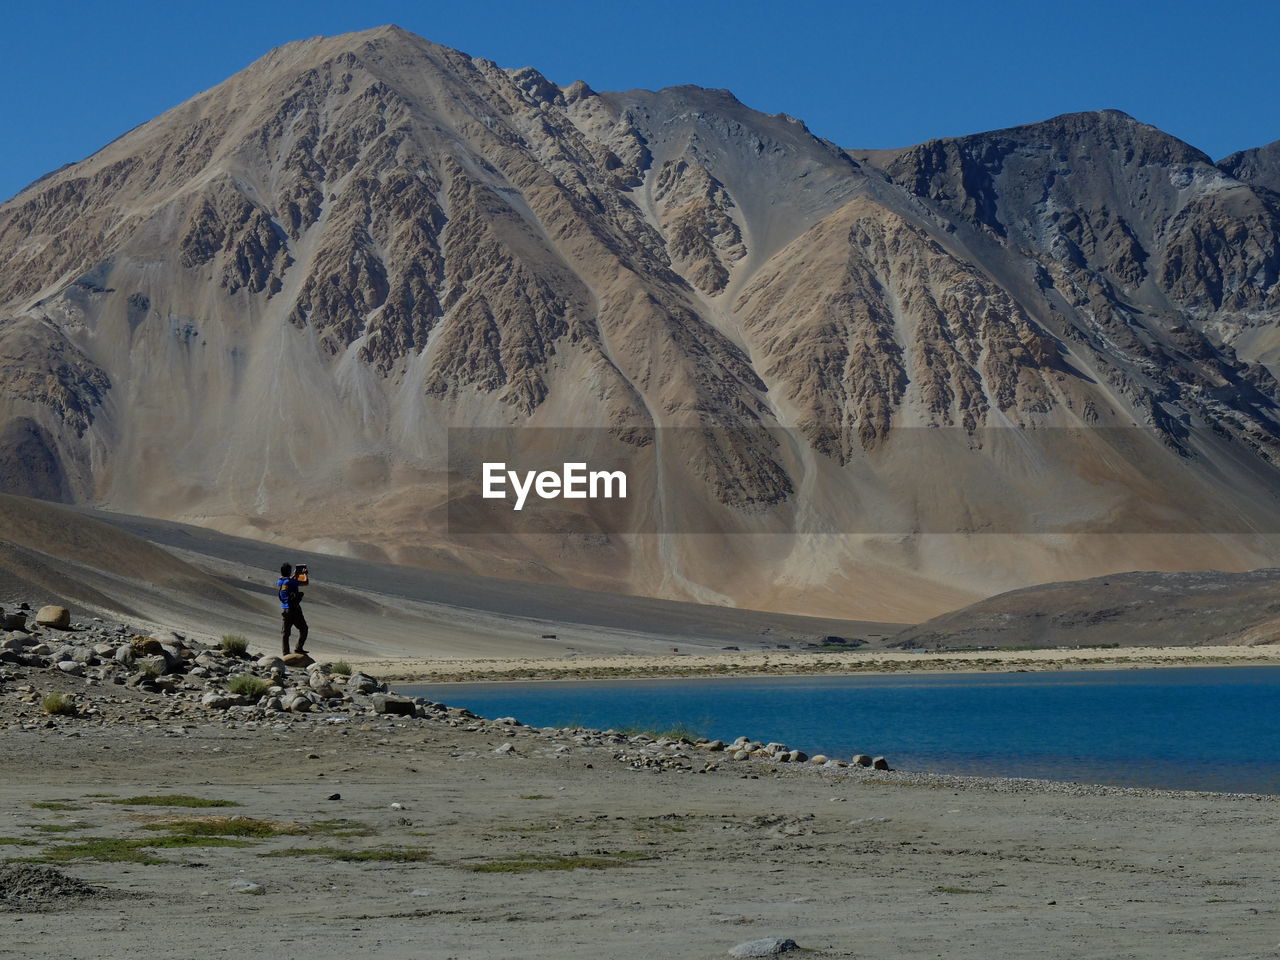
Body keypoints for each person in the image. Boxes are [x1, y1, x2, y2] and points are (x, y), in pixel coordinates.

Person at [277, 562, 308, 656]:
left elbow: (288, 581)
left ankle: (285, 652)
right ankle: (298, 648)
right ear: (289, 571)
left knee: (285, 633)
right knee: (304, 629)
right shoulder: (291, 582)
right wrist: (305, 574)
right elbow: (305, 583)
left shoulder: (280, 581)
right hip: (294, 609)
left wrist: (295, 574)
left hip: (285, 609)